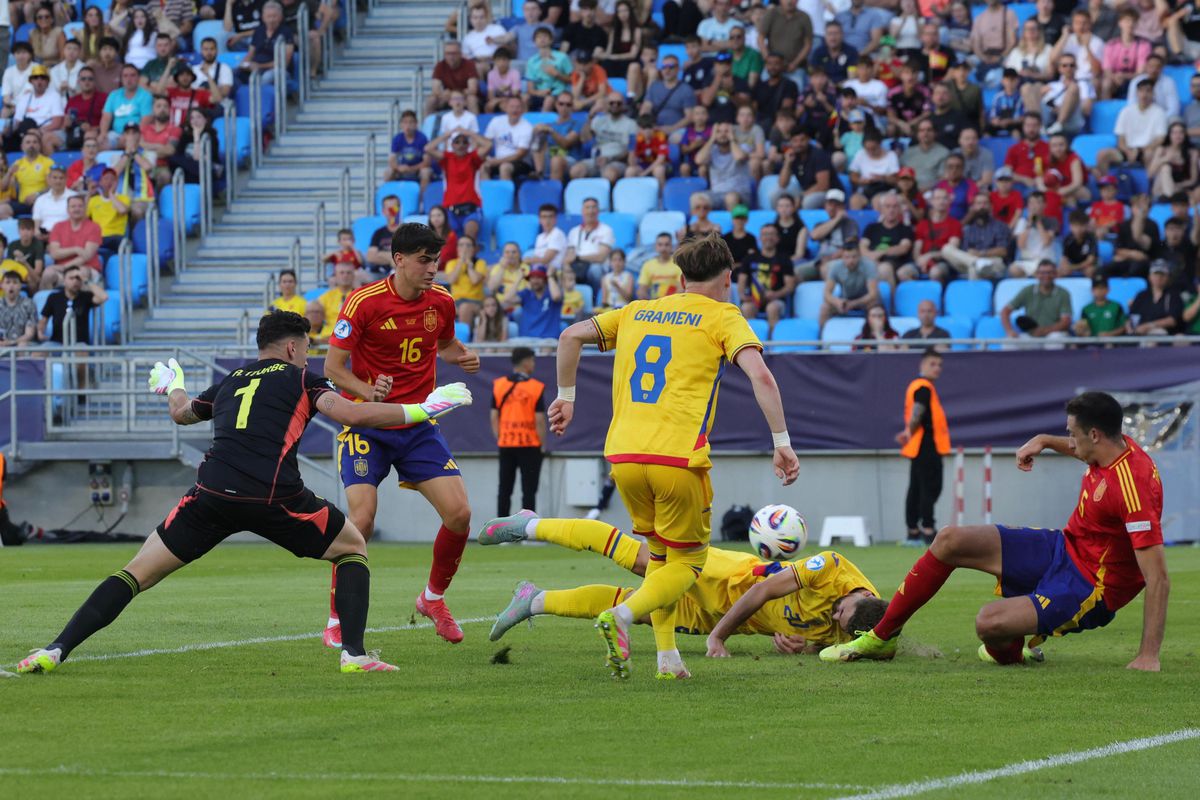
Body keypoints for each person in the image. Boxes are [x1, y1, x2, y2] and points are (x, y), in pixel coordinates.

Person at [16, 310, 477, 676]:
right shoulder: (302, 379)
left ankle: (54, 649)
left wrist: (171, 385)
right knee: (353, 547)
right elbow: (353, 416)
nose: (310, 358)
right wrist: (424, 408)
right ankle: (354, 654)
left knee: (136, 572)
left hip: (211, 494)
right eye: (308, 350)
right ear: (293, 347)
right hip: (273, 496)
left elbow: (181, 414)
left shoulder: (232, 380)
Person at [484, 233, 798, 680]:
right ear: (728, 278)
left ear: (682, 276)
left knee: (657, 559)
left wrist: (566, 398)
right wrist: (781, 441)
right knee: (687, 565)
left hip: (624, 454)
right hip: (677, 458)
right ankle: (624, 616)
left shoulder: (636, 310)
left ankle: (667, 659)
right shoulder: (724, 316)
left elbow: (570, 335)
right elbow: (762, 377)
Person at [822, 392, 1169, 673]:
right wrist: (1045, 441)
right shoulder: (1110, 447)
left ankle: (1014, 650)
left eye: (1071, 433)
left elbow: (1158, 579)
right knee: (949, 539)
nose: (1071, 441)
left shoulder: (1133, 489)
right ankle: (882, 637)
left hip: (1089, 585)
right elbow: (1085, 452)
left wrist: (1148, 655)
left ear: (1094, 435)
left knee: (988, 623)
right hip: (1063, 548)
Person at [323, 223, 481, 649]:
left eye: (436, 259)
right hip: (367, 424)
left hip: (416, 424)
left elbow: (444, 346)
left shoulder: (442, 301)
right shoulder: (363, 302)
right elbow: (332, 369)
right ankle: (337, 617)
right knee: (361, 520)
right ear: (399, 260)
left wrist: (462, 357)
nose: (433, 268)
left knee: (461, 514)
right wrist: (364, 391)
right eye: (425, 260)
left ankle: (433, 598)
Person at [483, 526, 885, 655]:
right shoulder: (832, 567)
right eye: (840, 610)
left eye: (839, 622)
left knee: (636, 609)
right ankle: (533, 526)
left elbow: (826, 641)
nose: (834, 616)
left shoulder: (858, 630)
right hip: (730, 581)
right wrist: (718, 636)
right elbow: (761, 593)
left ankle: (532, 600)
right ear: (863, 595)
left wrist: (801, 646)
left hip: (730, 620)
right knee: (640, 560)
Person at [895, 347, 950, 546]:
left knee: (917, 488)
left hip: (919, 446)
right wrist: (910, 430)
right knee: (930, 488)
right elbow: (918, 410)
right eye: (932, 364)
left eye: (939, 365)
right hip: (927, 445)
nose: (937, 368)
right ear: (922, 365)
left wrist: (909, 432)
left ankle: (913, 530)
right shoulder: (923, 387)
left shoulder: (920, 386)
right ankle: (927, 529)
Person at [491, 346, 547, 516]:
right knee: (529, 491)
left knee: (504, 490)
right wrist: (542, 444)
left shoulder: (499, 385)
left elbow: (494, 416)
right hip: (530, 444)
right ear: (527, 362)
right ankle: (527, 531)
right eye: (532, 360)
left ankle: (500, 532)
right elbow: (539, 420)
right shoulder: (536, 387)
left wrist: (501, 437)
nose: (534, 364)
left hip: (506, 444)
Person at [736, 223, 794, 336]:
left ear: (777, 238)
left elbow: (790, 286)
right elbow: (741, 281)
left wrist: (775, 294)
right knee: (746, 308)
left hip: (776, 300)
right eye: (765, 234)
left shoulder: (784, 259)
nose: (768, 237)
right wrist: (743, 296)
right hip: (753, 299)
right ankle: (751, 343)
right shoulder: (749, 258)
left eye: (772, 234)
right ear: (760, 238)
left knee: (772, 308)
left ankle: (772, 345)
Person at [1000, 260, 1072, 340]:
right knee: (1009, 342)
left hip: (1053, 333)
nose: (1046, 276)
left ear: (1055, 274)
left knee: (1056, 339)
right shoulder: (1027, 291)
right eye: (1042, 273)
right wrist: (1009, 331)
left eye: (1049, 272)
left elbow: (1065, 322)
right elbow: (1005, 311)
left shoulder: (1063, 293)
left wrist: (1044, 331)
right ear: (1037, 274)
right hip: (1031, 335)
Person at [37, 263, 107, 345]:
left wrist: (86, 280)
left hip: (79, 343)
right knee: (39, 353)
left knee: (81, 352)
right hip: (57, 342)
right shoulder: (54, 297)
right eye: (71, 278)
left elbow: (103, 297)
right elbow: (44, 319)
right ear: (64, 281)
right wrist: (40, 332)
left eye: (78, 278)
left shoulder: (86, 296)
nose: (75, 281)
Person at [819, 240, 879, 328]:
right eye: (847, 257)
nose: (851, 260)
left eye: (854, 257)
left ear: (860, 256)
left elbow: (873, 294)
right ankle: (822, 337)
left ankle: (874, 335)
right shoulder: (836, 267)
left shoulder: (869, 266)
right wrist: (837, 302)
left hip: (865, 300)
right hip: (845, 300)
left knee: (874, 306)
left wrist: (853, 303)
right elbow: (826, 293)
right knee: (824, 308)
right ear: (842, 257)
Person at [503, 266, 563, 338]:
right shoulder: (526, 294)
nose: (535, 281)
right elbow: (507, 299)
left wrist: (550, 276)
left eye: (539, 277)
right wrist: (519, 278)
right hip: (526, 339)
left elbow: (556, 296)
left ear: (545, 279)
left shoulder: (552, 292)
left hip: (547, 339)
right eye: (532, 278)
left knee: (546, 349)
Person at [1126, 261, 1183, 336]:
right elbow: (1131, 317)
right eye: (1155, 274)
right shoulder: (1141, 295)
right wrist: (1130, 329)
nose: (1159, 278)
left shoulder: (1173, 296)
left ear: (1168, 277)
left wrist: (1149, 326)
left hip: (1163, 335)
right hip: (1139, 333)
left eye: (1162, 275)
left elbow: (1172, 320)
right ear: (1149, 276)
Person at [636, 233, 682, 300]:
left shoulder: (679, 264)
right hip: (654, 305)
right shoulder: (647, 265)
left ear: (671, 246)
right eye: (660, 245)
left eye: (667, 244)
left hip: (673, 304)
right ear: (656, 246)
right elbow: (641, 291)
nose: (663, 248)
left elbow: (681, 289)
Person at [0, 269, 37, 346]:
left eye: (15, 282)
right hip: (1, 343)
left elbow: (29, 334)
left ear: (20, 286)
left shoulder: (28, 303)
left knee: (23, 345)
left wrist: (11, 342)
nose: (11, 285)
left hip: (22, 343)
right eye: (7, 282)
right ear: (2, 285)